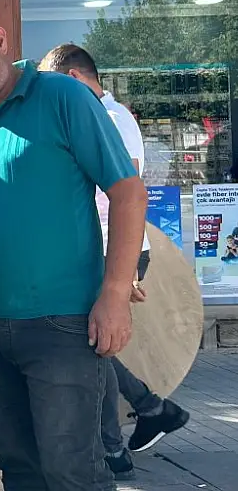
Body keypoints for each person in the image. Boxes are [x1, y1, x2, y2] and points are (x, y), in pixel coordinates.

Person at [0, 5, 147, 491]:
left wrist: (114, 294)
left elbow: (128, 192)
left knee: (71, 471)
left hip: (62, 324)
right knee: (19, 467)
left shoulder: (62, 95)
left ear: (1, 41)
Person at [40, 44, 190, 470]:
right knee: (96, 348)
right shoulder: (111, 116)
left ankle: (119, 442)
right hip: (103, 249)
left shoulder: (108, 119)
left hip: (110, 249)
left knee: (93, 347)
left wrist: (117, 276)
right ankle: (142, 419)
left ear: (70, 80)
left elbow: (123, 191)